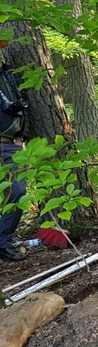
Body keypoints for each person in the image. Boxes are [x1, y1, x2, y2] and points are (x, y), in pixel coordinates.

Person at [0, 39, 28, 262]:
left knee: (17, 190)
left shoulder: (9, 74)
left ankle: (3, 241)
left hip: (11, 143)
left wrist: (21, 136)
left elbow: (20, 106)